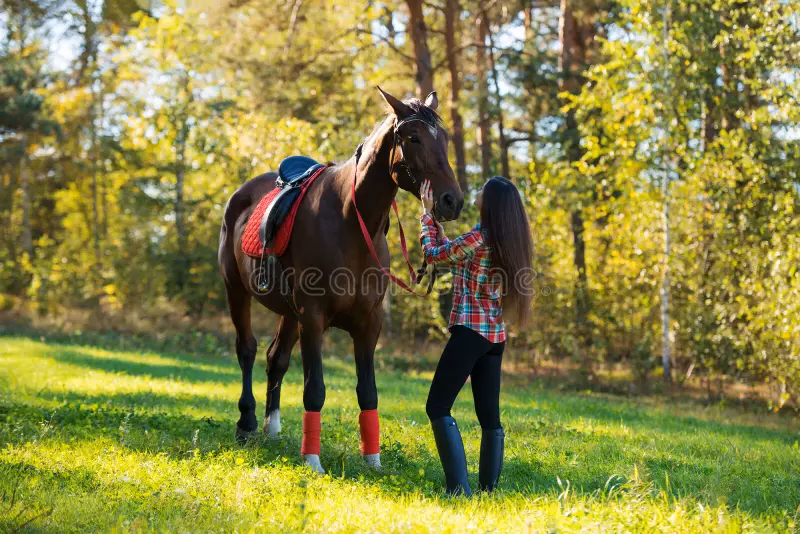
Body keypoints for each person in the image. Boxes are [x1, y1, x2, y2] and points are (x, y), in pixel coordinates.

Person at [419, 176, 533, 496]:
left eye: (483, 189)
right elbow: (452, 252)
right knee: (489, 418)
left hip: (471, 332)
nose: (478, 191)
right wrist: (441, 236)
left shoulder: (478, 238)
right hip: (495, 337)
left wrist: (426, 216)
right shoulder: (508, 241)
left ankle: (459, 490)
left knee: (438, 407)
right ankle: (488, 492)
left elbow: (434, 255)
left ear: (491, 202)